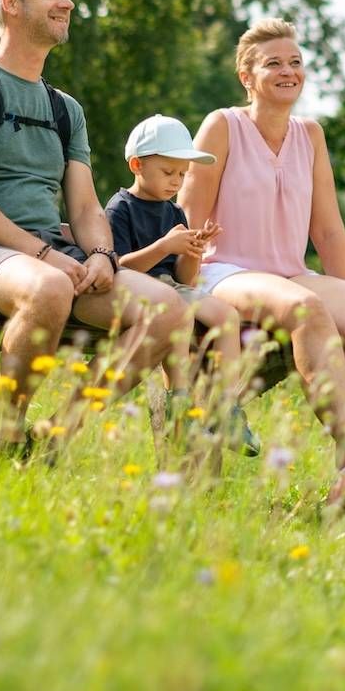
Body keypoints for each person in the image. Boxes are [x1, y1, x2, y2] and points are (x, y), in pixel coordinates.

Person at [0, 0, 191, 459]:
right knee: (48, 289)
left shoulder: (64, 108)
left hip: (46, 257)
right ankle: (6, 435)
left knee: (167, 310)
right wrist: (45, 257)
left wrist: (99, 255)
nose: (66, 2)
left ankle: (52, 438)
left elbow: (87, 206)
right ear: (11, 4)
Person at [178, 18, 345, 516]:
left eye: (295, 63)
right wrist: (183, 288)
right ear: (248, 77)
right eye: (274, 64)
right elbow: (187, 215)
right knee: (307, 307)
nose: (288, 71)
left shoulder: (310, 135)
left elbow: (329, 230)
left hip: (288, 272)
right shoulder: (222, 126)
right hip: (223, 271)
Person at [104, 114, 260, 457]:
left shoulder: (175, 213)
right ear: (136, 165)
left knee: (227, 316)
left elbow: (185, 278)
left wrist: (193, 250)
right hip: (136, 289)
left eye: (182, 175)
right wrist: (163, 246)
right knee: (181, 318)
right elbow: (117, 266)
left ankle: (226, 406)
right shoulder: (121, 208)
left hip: (172, 287)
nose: (176, 181)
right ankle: (181, 405)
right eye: (168, 172)